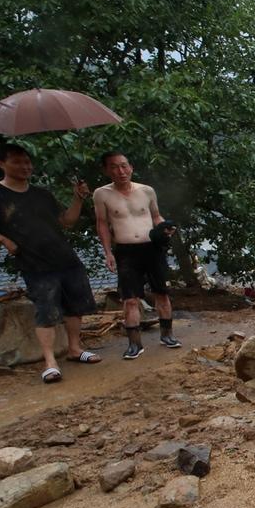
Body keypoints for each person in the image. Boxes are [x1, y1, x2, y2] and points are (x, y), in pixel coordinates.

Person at [0, 143, 101, 383]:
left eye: (27, 161)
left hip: (65, 257)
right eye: (18, 161)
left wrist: (78, 198)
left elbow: (67, 221)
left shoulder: (41, 193)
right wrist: (2, 238)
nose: (25, 166)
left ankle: (75, 349)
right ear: (1, 164)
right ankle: (50, 362)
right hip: (35, 262)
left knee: (76, 305)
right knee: (46, 310)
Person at [92, 151, 180, 360]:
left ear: (131, 167)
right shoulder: (101, 194)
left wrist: (165, 229)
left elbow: (156, 216)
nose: (121, 171)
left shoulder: (147, 191)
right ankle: (134, 343)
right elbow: (102, 224)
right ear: (106, 170)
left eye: (124, 166)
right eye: (114, 167)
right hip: (126, 250)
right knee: (130, 299)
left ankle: (167, 334)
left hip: (151, 247)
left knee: (161, 292)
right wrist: (107, 252)